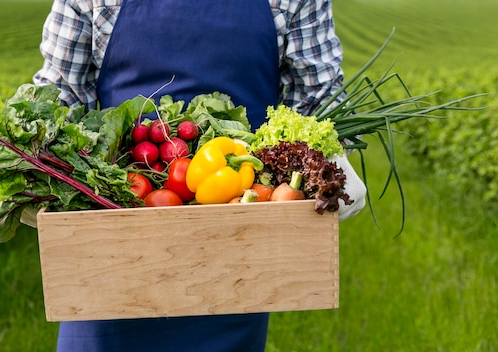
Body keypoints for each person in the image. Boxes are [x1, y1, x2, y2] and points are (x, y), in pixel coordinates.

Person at [33, 0, 365, 351]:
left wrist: (331, 159)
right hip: (114, 242)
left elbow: (320, 101)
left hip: (237, 244)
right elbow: (59, 99)